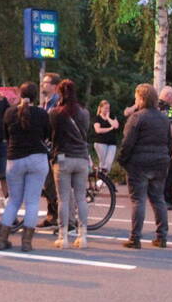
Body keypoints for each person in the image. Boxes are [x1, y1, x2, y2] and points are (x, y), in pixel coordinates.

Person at [116, 84, 172, 249]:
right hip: (160, 163)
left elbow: (127, 143)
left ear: (141, 98)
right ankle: (162, 237)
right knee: (158, 199)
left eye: (136, 98)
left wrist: (122, 160)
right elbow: (169, 142)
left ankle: (135, 238)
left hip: (138, 164)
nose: (135, 101)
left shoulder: (137, 118)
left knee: (138, 200)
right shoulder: (164, 118)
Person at [0, 82, 51, 252]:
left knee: (13, 201)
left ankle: (2, 239)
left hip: (15, 159)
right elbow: (48, 135)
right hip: (37, 158)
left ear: (20, 94)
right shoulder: (42, 114)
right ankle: (26, 243)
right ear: (36, 96)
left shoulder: (9, 112)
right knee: (32, 202)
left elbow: (5, 134)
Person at [49, 79, 92, 249]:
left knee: (63, 199)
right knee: (81, 198)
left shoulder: (55, 113)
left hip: (63, 158)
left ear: (60, 93)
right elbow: (86, 132)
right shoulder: (85, 113)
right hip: (81, 158)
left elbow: (52, 134)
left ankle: (63, 236)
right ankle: (83, 236)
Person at [36, 72, 62, 227]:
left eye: (45, 82)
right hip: (45, 147)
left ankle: (57, 215)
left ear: (54, 86)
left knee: (53, 183)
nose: (42, 85)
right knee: (47, 184)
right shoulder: (45, 103)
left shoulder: (57, 103)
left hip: (54, 147)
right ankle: (52, 214)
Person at [158, 85, 172, 213]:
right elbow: (171, 124)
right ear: (168, 96)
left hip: (161, 144)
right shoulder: (165, 108)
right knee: (168, 173)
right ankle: (167, 200)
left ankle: (166, 199)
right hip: (166, 145)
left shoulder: (157, 106)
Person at [93, 99, 120, 174]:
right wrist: (110, 128)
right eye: (105, 108)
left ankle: (102, 179)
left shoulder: (112, 116)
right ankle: (101, 179)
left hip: (112, 143)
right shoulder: (97, 118)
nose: (107, 110)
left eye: (108, 108)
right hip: (100, 142)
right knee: (103, 162)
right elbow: (98, 130)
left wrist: (108, 118)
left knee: (108, 162)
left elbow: (116, 126)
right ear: (101, 108)